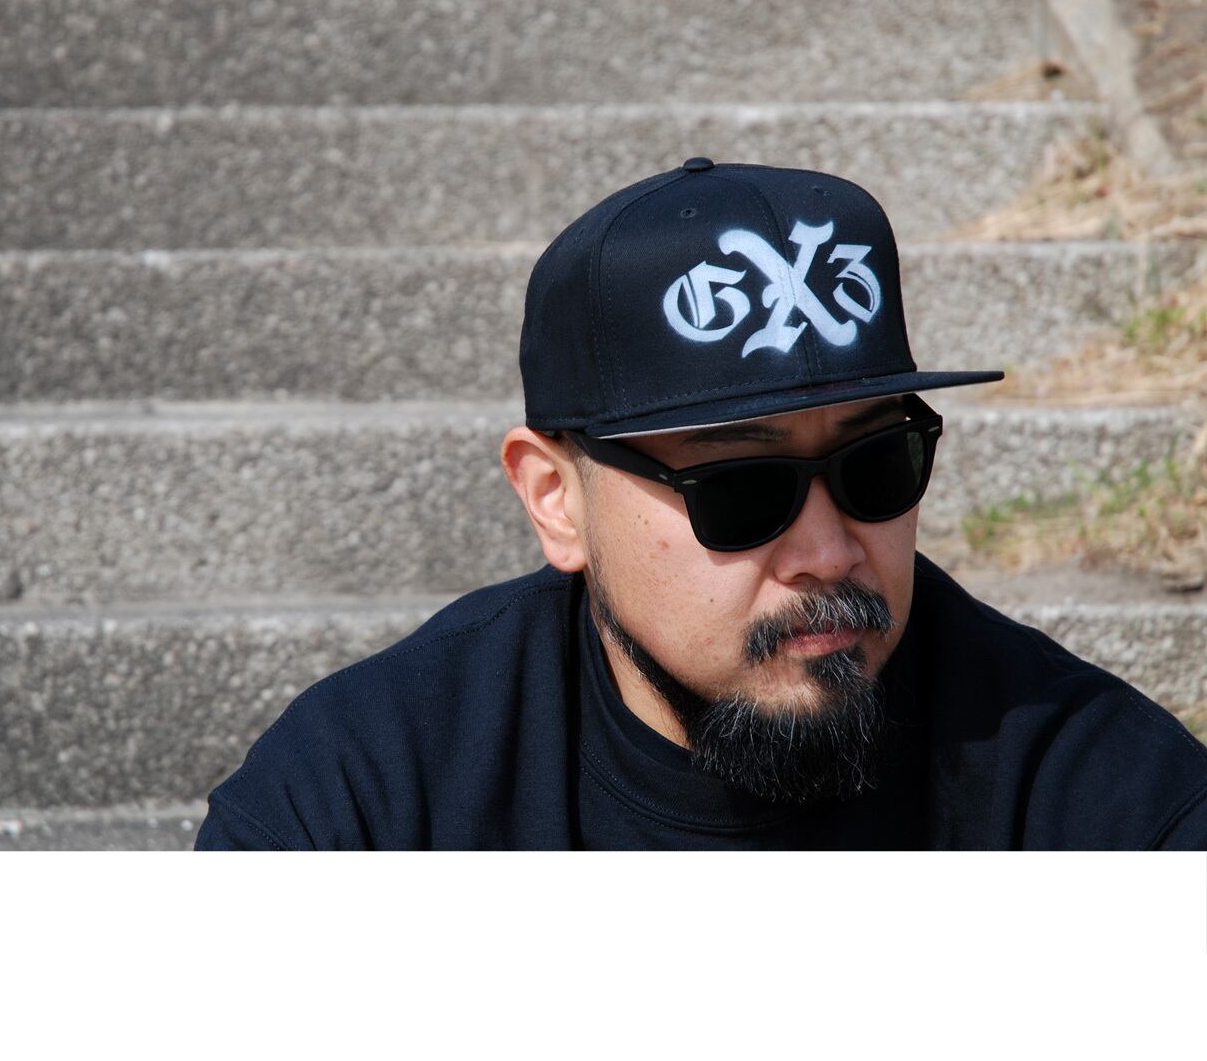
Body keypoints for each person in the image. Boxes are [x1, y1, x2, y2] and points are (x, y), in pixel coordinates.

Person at [196, 159, 1207, 850]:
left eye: (875, 466)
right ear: (556, 500)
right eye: (741, 489)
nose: (827, 551)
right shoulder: (363, 797)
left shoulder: (1094, 794)